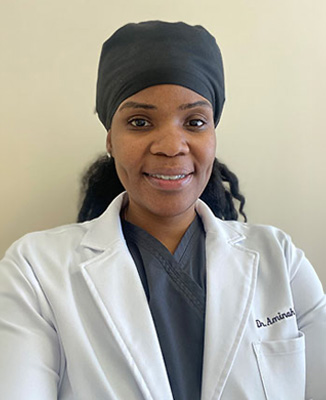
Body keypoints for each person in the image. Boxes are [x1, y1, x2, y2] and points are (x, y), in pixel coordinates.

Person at [0, 21, 325, 400]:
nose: (171, 146)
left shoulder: (280, 259)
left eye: (195, 122)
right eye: (140, 122)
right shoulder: (35, 270)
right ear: (110, 139)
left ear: (213, 135)